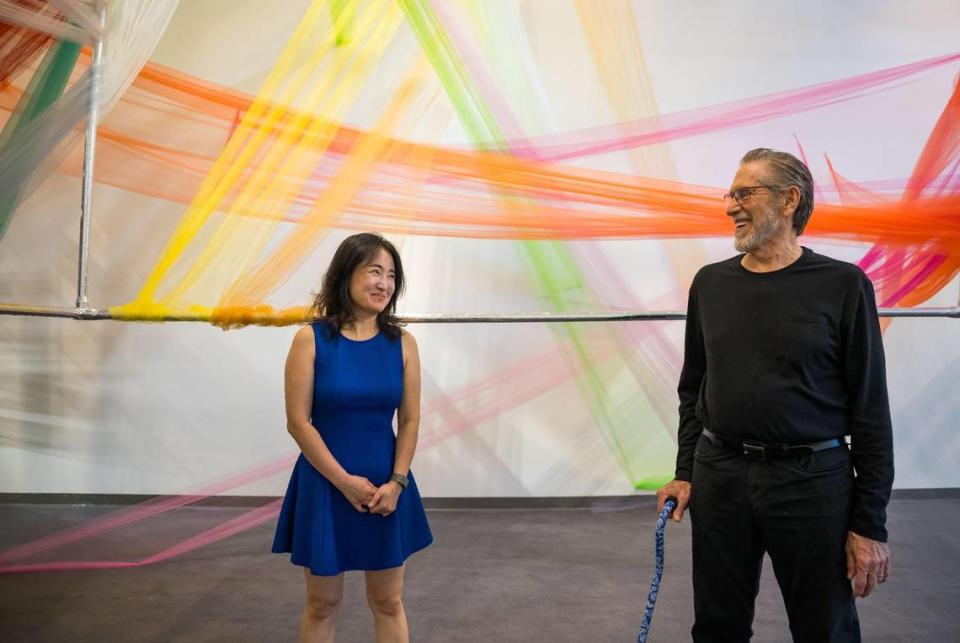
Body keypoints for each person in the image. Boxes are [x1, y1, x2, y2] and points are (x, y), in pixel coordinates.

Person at [656, 148, 894, 642]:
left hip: (812, 483)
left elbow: (870, 410)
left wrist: (869, 525)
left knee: (823, 627)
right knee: (718, 626)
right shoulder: (711, 284)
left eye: (745, 193)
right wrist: (685, 471)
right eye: (730, 194)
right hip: (721, 476)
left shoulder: (843, 285)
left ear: (789, 200)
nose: (730, 206)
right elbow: (693, 388)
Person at [272, 232, 433, 643]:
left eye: (392, 275)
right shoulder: (310, 340)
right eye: (374, 271)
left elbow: (410, 420)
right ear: (346, 275)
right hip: (325, 484)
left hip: (386, 487)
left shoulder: (404, 344)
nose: (384, 283)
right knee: (322, 604)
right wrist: (344, 482)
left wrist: (397, 482)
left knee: (389, 601)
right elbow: (299, 423)